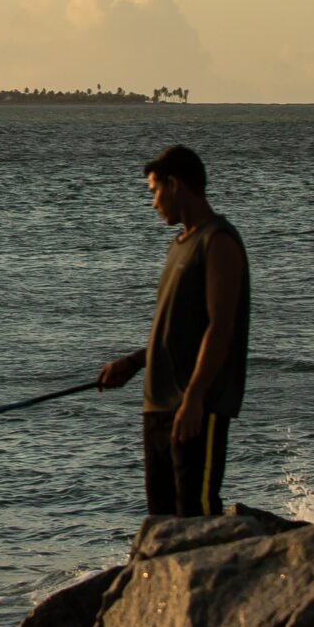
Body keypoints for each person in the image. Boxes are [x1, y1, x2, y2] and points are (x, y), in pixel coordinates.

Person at [96, 144, 251, 517]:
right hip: (158, 406)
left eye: (154, 192)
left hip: (197, 407)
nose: (153, 203)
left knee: (196, 515)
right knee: (162, 520)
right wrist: (133, 363)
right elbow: (175, 330)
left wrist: (195, 397)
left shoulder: (218, 242)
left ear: (175, 185)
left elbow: (220, 327)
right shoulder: (177, 247)